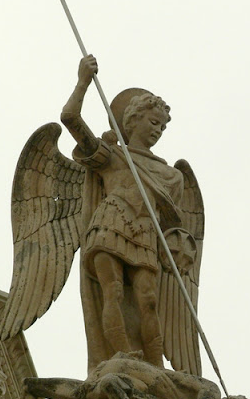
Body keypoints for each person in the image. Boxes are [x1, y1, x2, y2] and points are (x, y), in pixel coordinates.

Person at [61, 55, 185, 368]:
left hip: (144, 232)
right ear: (132, 120)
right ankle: (120, 354)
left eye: (162, 126)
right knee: (112, 291)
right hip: (110, 223)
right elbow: (70, 118)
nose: (158, 130)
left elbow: (174, 229)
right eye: (153, 122)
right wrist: (82, 82)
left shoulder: (171, 176)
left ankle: (156, 367)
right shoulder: (112, 156)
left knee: (149, 299)